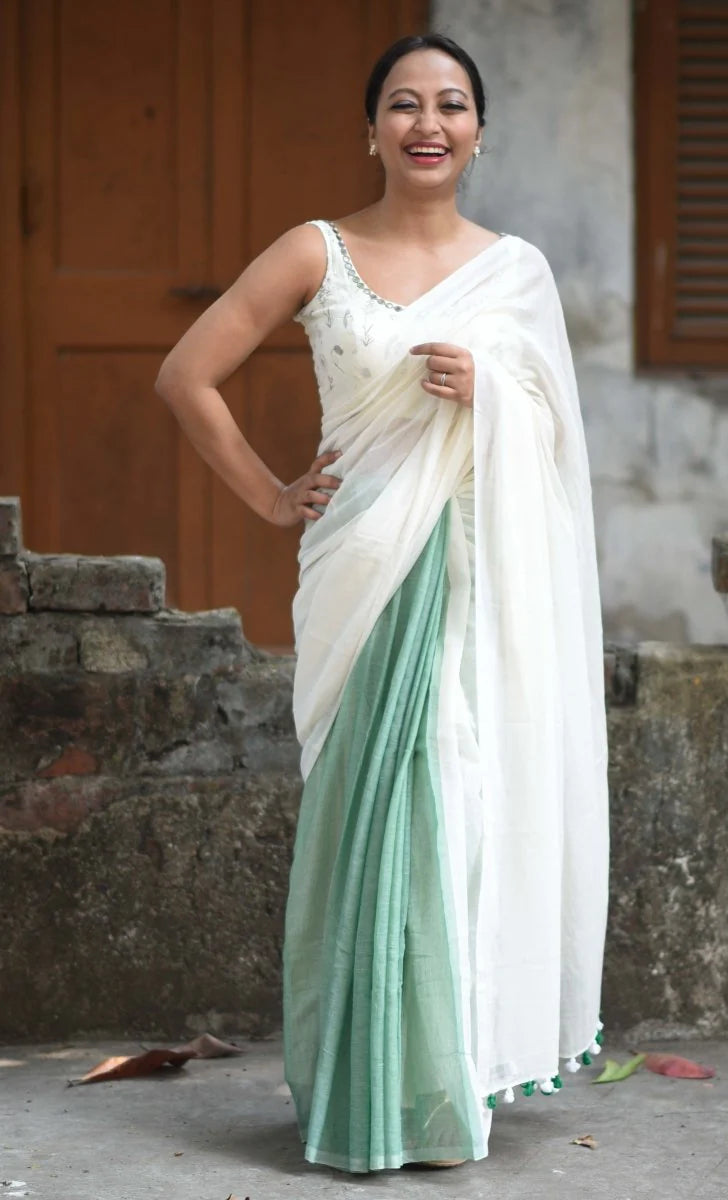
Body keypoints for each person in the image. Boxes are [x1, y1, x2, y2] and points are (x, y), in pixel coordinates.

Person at [155, 31, 608, 1176]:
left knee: (450, 824)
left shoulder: (517, 274)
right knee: (370, 822)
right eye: (403, 104)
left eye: (451, 104)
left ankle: (436, 1092)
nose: (427, 123)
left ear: (479, 130)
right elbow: (186, 374)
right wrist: (269, 495)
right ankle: (355, 1093)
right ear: (370, 130)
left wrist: (492, 393)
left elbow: (558, 449)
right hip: (362, 575)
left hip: (470, 588)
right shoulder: (319, 251)